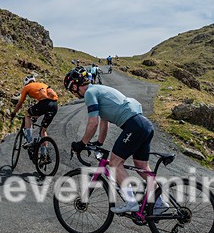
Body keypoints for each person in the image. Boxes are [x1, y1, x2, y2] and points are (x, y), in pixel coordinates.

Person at [64, 67, 164, 214]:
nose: (73, 93)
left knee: (115, 163)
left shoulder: (90, 93)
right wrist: (99, 143)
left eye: (71, 90)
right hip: (145, 125)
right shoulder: (99, 89)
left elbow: (93, 123)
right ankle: (161, 202)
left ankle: (131, 203)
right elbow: (104, 123)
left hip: (134, 125)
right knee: (141, 165)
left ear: (74, 86)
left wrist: (82, 143)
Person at [12, 75, 59, 148]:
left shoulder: (27, 87)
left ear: (26, 83)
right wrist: (36, 116)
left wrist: (14, 113)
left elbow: (20, 103)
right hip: (54, 105)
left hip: (45, 104)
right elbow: (44, 105)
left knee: (27, 115)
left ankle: (29, 141)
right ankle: (44, 153)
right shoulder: (42, 84)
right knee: (43, 131)